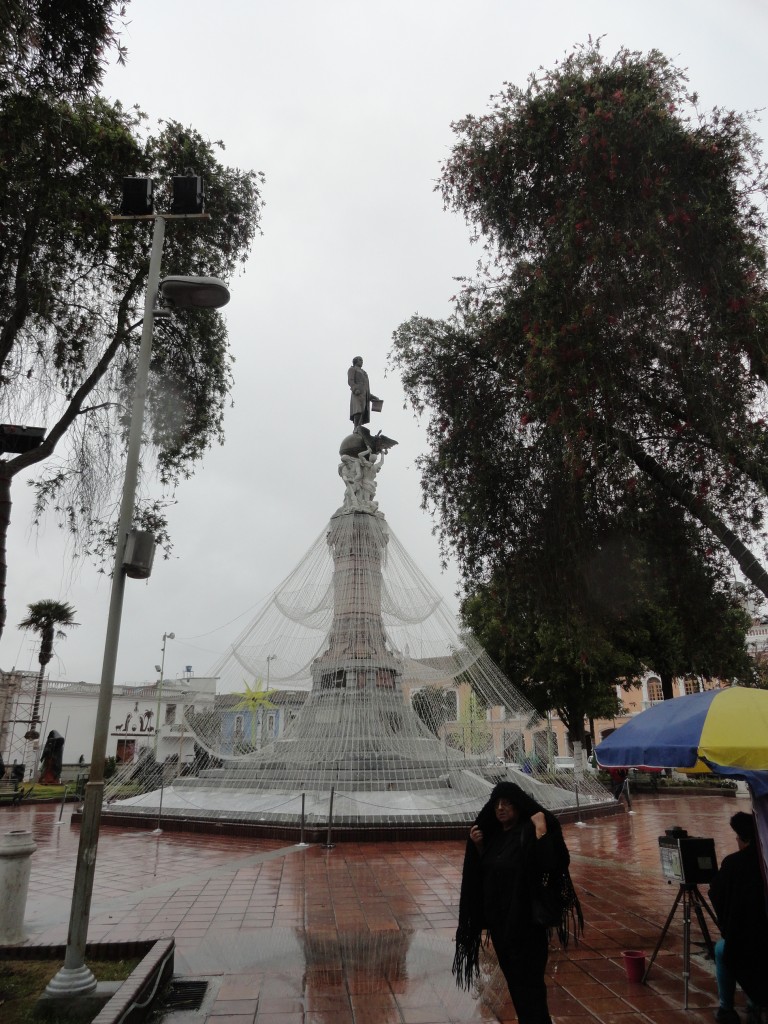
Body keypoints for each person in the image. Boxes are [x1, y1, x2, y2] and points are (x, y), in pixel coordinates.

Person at [453, 781, 583, 1024]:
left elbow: (551, 864)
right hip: (501, 926)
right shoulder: (495, 837)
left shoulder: (528, 832)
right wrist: (479, 847)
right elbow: (489, 873)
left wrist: (542, 831)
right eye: (497, 804)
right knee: (516, 984)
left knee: (530, 987)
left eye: (507, 804)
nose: (501, 808)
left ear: (519, 806)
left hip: (527, 926)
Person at [708, 811, 768, 1024]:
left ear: (744, 838)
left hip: (748, 940)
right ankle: (754, 1003)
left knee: (723, 950)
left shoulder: (734, 863)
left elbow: (716, 893)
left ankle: (727, 1008)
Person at [348, 356, 380, 431]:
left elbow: (366, 388)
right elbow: (350, 381)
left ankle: (359, 428)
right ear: (355, 361)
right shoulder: (352, 369)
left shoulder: (364, 373)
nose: (362, 361)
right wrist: (355, 389)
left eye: (362, 360)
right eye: (360, 360)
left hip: (364, 395)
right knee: (358, 411)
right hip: (357, 394)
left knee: (362, 412)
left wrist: (372, 397)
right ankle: (356, 428)